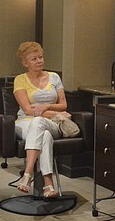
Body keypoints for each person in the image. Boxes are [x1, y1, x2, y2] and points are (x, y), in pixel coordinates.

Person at [12, 41, 75, 198]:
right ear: (25, 63)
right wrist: (55, 114)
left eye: (40, 57)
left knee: (39, 122)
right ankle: (48, 183)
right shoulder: (20, 79)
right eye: (34, 59)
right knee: (44, 135)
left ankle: (27, 173)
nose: (39, 61)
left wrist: (47, 106)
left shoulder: (54, 77)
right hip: (25, 122)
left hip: (51, 123)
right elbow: (28, 110)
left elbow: (63, 104)